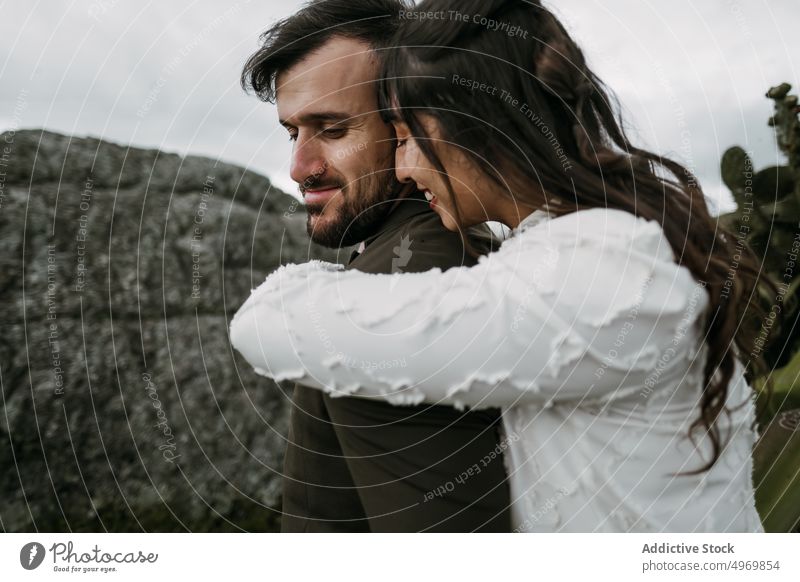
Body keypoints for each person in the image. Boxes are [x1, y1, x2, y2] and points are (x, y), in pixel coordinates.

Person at [232, 0, 768, 531]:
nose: (404, 163)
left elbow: (271, 328)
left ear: (476, 127)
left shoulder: (597, 273)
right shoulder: (572, 245)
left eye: (407, 134)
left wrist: (309, 290)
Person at [238, 0, 511, 532]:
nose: (300, 167)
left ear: (412, 121)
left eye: (334, 130)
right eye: (293, 132)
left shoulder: (419, 279)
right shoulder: (396, 257)